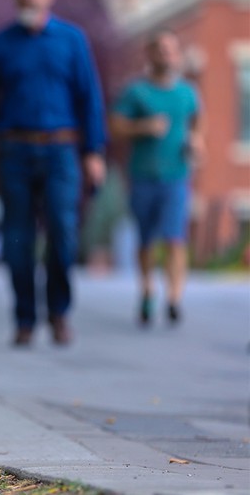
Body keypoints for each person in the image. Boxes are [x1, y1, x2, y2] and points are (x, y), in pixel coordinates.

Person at [0, 0, 107, 346]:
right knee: (17, 240)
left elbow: (89, 97)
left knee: (64, 233)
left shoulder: (72, 40)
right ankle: (25, 318)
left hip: (62, 150)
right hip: (15, 152)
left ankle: (59, 313)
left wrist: (94, 151)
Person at [110, 30, 202, 326]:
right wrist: (143, 127)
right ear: (150, 54)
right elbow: (116, 127)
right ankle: (148, 290)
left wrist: (197, 142)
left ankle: (174, 298)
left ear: (177, 55)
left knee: (175, 239)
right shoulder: (136, 92)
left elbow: (198, 122)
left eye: (171, 49)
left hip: (177, 176)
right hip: (143, 176)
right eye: (160, 49)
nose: (166, 54)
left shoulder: (187, 93)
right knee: (146, 240)